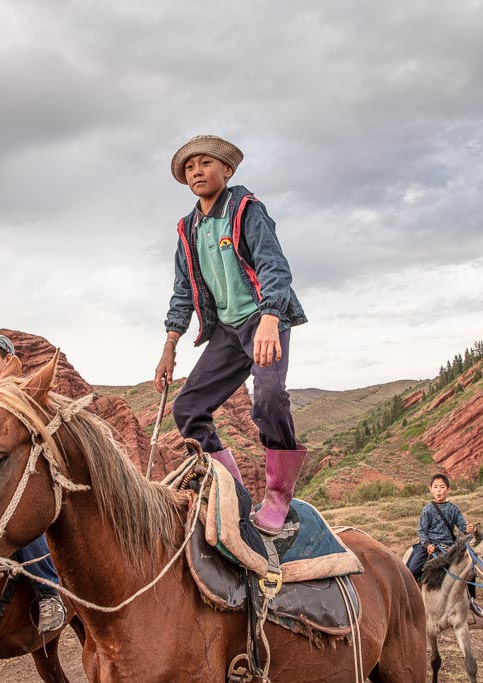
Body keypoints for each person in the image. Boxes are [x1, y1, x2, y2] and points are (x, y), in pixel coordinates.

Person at [153, 135, 308, 535]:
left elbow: (274, 264)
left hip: (263, 320)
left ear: (227, 170)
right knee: (188, 408)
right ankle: (233, 491)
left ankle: (278, 495)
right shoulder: (188, 229)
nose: (197, 172)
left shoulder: (245, 210)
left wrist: (273, 316)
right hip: (226, 329)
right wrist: (170, 345)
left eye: (206, 164)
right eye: (190, 168)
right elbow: (183, 290)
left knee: (269, 397)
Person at [0, 333, 66, 633]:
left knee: (23, 523)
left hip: (19, 480)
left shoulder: (21, 394)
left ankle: (48, 594)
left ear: (8, 360)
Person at [409, 473, 483, 617]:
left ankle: (472, 600)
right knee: (412, 570)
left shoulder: (453, 509)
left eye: (442, 487)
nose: (438, 490)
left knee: (469, 566)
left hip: (450, 545)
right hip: (430, 545)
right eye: (435, 487)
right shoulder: (428, 509)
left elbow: (462, 526)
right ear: (430, 489)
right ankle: (409, 601)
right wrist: (427, 544)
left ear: (448, 489)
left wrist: (467, 528)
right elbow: (422, 531)